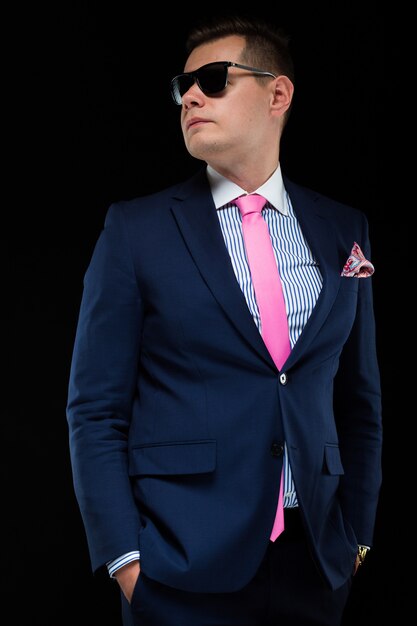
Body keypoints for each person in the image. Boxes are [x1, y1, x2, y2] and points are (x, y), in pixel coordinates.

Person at [66, 14, 383, 626]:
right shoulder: (136, 230)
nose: (190, 96)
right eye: (182, 85)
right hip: (180, 566)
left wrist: (358, 538)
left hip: (315, 560)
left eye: (213, 80)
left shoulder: (345, 230)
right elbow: (95, 409)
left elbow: (359, 399)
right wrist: (125, 560)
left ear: (278, 94)